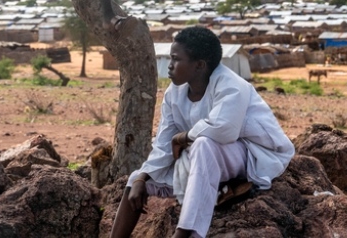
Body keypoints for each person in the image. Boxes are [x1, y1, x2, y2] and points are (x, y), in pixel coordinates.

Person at [110, 27, 295, 238]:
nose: (169, 66)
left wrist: (182, 137)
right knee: (136, 180)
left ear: (199, 65)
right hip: (205, 158)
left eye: (176, 59)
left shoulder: (232, 86)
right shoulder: (174, 93)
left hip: (252, 154)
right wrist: (142, 178)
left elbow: (223, 129)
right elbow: (163, 144)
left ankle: (185, 233)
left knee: (204, 144)